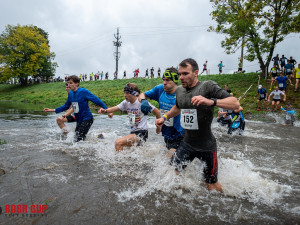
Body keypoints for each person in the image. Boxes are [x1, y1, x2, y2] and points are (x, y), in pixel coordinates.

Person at [155, 58, 240, 192]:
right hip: (187, 143)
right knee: (170, 174)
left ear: (196, 72)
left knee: (211, 186)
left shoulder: (207, 86)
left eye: (185, 74)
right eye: (180, 74)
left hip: (207, 146)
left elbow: (235, 103)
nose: (181, 77)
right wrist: (164, 117)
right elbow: (178, 107)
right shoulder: (179, 91)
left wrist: (210, 101)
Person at [44, 75, 111, 142]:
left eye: (71, 83)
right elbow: (66, 106)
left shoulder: (83, 91)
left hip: (87, 119)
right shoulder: (70, 93)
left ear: (77, 83)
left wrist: (107, 110)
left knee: (78, 140)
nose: (69, 85)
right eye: (68, 83)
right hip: (79, 120)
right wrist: (53, 110)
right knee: (77, 138)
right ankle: (100, 136)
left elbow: (96, 100)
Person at [98, 83, 161, 151]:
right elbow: (114, 108)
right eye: (124, 93)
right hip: (133, 132)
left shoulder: (141, 102)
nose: (125, 95)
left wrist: (158, 128)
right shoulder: (125, 103)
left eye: (128, 93)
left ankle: (119, 161)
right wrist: (104, 111)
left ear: (134, 93)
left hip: (142, 133)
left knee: (118, 143)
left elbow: (157, 112)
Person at [138, 68, 184, 158]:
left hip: (180, 132)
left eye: (167, 80)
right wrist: (143, 101)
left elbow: (177, 109)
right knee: (172, 160)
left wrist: (164, 117)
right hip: (167, 132)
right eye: (163, 80)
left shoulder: (181, 92)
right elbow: (142, 95)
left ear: (175, 80)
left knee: (170, 160)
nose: (164, 83)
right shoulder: (160, 90)